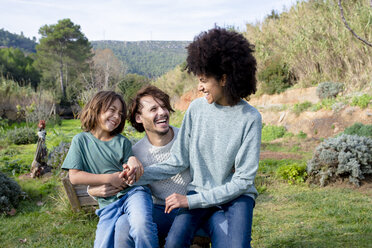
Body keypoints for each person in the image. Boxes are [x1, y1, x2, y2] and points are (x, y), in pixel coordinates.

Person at [133, 27, 262, 248]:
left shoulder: (250, 118)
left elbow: (242, 181)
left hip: (236, 198)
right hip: (200, 191)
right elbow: (178, 161)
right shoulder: (196, 109)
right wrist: (139, 175)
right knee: (174, 242)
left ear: (223, 79)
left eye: (203, 80)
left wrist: (189, 201)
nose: (199, 86)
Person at [88, 86, 222, 247]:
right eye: (153, 109)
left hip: (195, 208)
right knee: (123, 224)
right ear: (139, 118)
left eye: (164, 107)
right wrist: (92, 191)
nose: (162, 112)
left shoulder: (187, 138)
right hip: (161, 211)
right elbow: (118, 179)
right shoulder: (135, 154)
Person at [61, 91, 158, 248]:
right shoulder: (80, 141)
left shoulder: (122, 142)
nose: (116, 116)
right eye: (111, 110)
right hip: (107, 204)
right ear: (96, 108)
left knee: (142, 227)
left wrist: (132, 165)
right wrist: (109, 179)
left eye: (120, 113)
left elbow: (130, 169)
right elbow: (74, 177)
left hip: (133, 194)